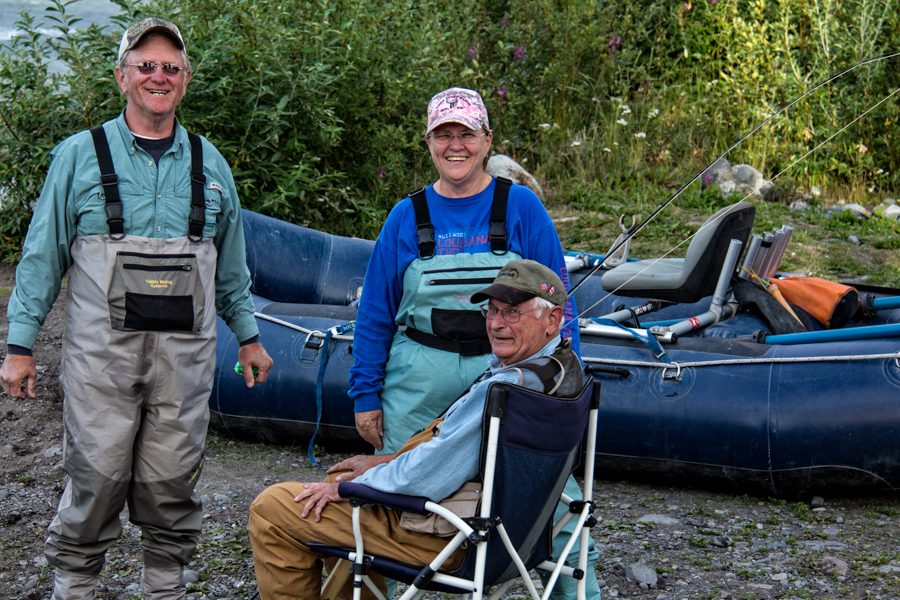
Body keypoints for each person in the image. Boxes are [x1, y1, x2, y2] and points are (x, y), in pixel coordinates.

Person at [0, 17, 273, 599]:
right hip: (101, 363)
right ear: (122, 76)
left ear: (186, 80)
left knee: (172, 478)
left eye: (170, 67)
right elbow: (42, 255)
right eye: (145, 65)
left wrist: (249, 337)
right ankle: (75, 584)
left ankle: (165, 585)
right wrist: (19, 346)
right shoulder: (79, 156)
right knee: (95, 476)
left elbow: (231, 267)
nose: (158, 76)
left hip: (184, 364)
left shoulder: (210, 163)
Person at [248, 259, 598, 599]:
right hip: (517, 539)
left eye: (512, 313)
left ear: (552, 319)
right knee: (337, 481)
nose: (496, 324)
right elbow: (456, 456)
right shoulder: (563, 371)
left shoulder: (507, 390)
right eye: (491, 310)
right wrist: (381, 463)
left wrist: (352, 488)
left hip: (456, 539)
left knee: (274, 509)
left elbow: (430, 474)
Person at [350, 86, 580, 457]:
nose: (455, 146)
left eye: (467, 134)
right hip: (416, 387)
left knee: (518, 479)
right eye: (443, 135)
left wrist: (567, 378)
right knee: (397, 481)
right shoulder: (404, 216)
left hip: (507, 377)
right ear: (429, 143)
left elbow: (559, 302)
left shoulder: (523, 206)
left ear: (487, 141)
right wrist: (365, 395)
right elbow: (374, 314)